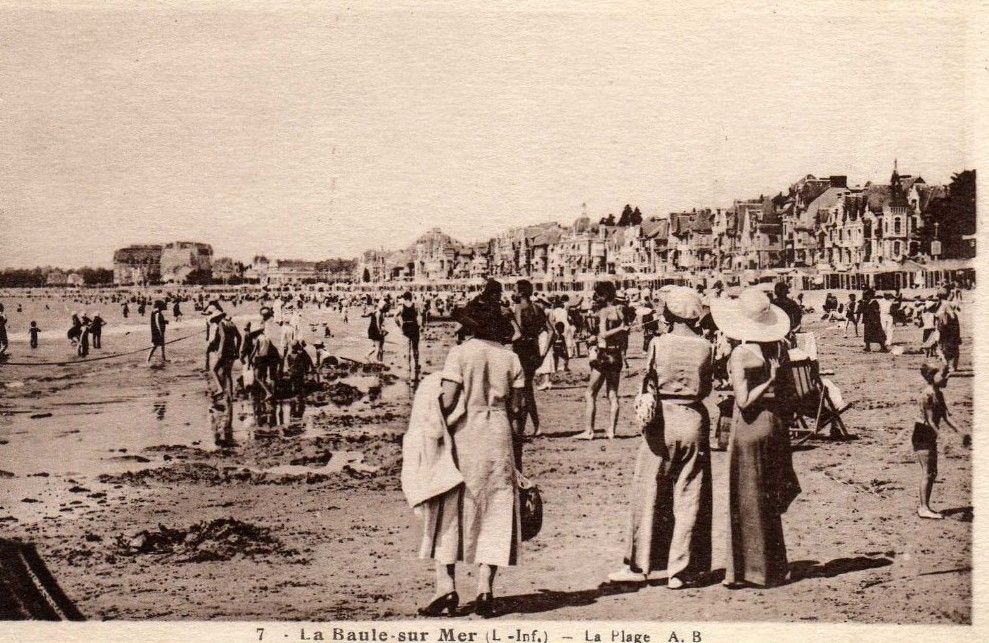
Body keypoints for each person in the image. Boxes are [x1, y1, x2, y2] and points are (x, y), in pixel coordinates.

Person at [415, 292, 522, 619]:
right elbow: (518, 409)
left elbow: (448, 400)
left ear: (471, 325)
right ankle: (485, 587)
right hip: (499, 432)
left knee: (450, 505)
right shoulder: (510, 358)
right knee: (497, 507)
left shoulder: (460, 354)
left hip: (466, 434)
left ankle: (445, 586)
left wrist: (428, 405)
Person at [609, 288, 713, 588]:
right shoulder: (705, 347)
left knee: (648, 490)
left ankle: (639, 565)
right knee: (690, 494)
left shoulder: (658, 343)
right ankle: (680, 569)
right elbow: (706, 387)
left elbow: (649, 381)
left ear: (670, 313)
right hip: (693, 417)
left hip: (662, 419)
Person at [710, 288, 801, 589]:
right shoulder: (779, 348)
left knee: (746, 499)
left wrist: (767, 381)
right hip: (775, 425)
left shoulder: (741, 354)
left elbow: (744, 400)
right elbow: (790, 394)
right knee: (769, 498)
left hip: (750, 426)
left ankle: (749, 570)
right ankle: (775, 568)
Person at [903, 363, 967, 520]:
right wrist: (943, 437)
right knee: (928, 472)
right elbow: (931, 421)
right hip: (923, 433)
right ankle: (923, 508)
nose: (947, 377)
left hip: (929, 433)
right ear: (932, 377)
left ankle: (925, 506)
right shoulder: (928, 395)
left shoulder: (939, 394)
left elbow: (946, 417)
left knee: (932, 472)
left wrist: (961, 432)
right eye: (943, 374)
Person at [578, 281, 627, 440]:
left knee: (590, 393)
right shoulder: (620, 311)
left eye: (598, 295)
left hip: (604, 354)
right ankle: (611, 431)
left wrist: (598, 337)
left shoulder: (604, 311)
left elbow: (604, 334)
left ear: (604, 295)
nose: (596, 298)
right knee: (612, 394)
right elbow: (622, 336)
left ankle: (589, 431)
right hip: (616, 355)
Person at [511, 280, 553, 438]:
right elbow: (552, 332)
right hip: (534, 350)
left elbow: (519, 332)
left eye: (515, 290)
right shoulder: (538, 308)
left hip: (521, 350)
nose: (513, 293)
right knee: (527, 390)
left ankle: (520, 429)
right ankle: (536, 426)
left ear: (521, 292)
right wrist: (543, 353)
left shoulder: (518, 308)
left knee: (520, 390)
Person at [207, 307, 242, 401]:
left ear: (218, 318)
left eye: (215, 320)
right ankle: (230, 397)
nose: (215, 322)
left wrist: (220, 351)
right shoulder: (231, 323)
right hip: (231, 350)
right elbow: (239, 337)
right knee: (228, 373)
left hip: (224, 351)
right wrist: (237, 351)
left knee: (213, 370)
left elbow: (223, 337)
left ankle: (220, 388)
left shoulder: (221, 324)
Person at [934, 288, 961, 372]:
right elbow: (953, 313)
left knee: (943, 347)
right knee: (952, 347)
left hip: (943, 328)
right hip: (950, 328)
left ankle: (947, 365)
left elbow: (938, 316)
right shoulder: (947, 303)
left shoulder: (941, 304)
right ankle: (952, 366)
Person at [395, 291, 422, 372]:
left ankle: (408, 366)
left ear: (404, 298)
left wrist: (400, 326)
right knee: (415, 348)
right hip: (414, 326)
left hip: (406, 327)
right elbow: (419, 316)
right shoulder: (415, 305)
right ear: (411, 297)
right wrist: (420, 326)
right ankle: (416, 364)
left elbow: (395, 317)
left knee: (407, 349)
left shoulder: (401, 307)